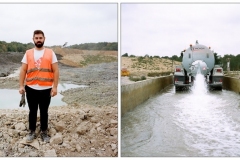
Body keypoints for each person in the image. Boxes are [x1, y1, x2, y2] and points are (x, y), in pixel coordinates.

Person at [19, 30, 59, 143]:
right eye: (36, 38)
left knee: (44, 111)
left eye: (40, 38)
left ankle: (44, 132)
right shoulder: (28, 53)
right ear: (33, 39)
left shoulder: (51, 53)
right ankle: (31, 131)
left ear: (44, 38)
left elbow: (56, 70)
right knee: (32, 111)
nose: (38, 40)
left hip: (46, 89)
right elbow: (23, 70)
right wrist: (21, 86)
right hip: (31, 88)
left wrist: (55, 87)